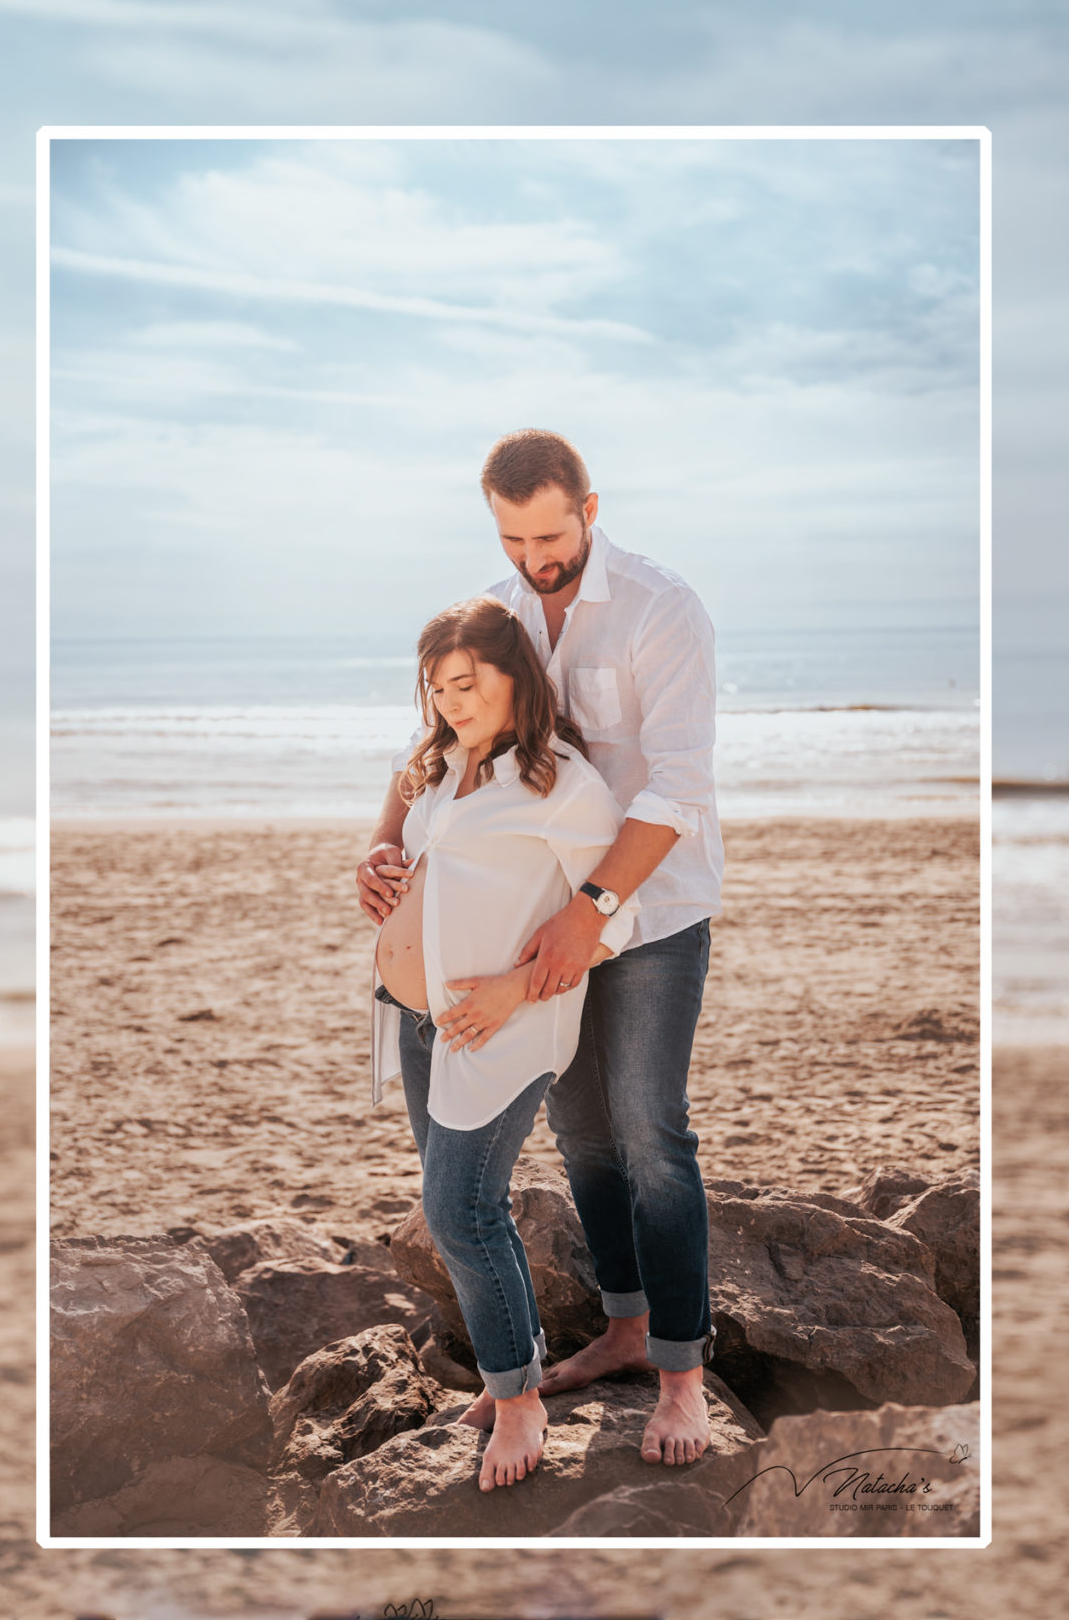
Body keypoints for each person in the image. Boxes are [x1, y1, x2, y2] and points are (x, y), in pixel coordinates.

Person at [359, 429, 722, 1469]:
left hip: (646, 909)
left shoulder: (661, 609)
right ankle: (618, 1322)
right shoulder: (501, 607)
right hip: (539, 917)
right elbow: (430, 741)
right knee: (583, 1135)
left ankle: (681, 1371)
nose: (535, 555)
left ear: (590, 509)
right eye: (513, 536)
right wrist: (383, 843)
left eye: (551, 533)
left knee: (652, 1135)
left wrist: (589, 911)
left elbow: (676, 790)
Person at [370, 597, 635, 1491]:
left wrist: (513, 988)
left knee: (460, 1210)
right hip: (417, 1020)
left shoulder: (564, 783)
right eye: (439, 688)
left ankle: (520, 1403)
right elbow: (412, 853)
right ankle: (508, 1368)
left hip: (506, 1025)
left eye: (468, 684)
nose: (451, 702)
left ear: (517, 676)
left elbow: (610, 918)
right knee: (459, 1208)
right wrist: (375, 866)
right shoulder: (441, 768)